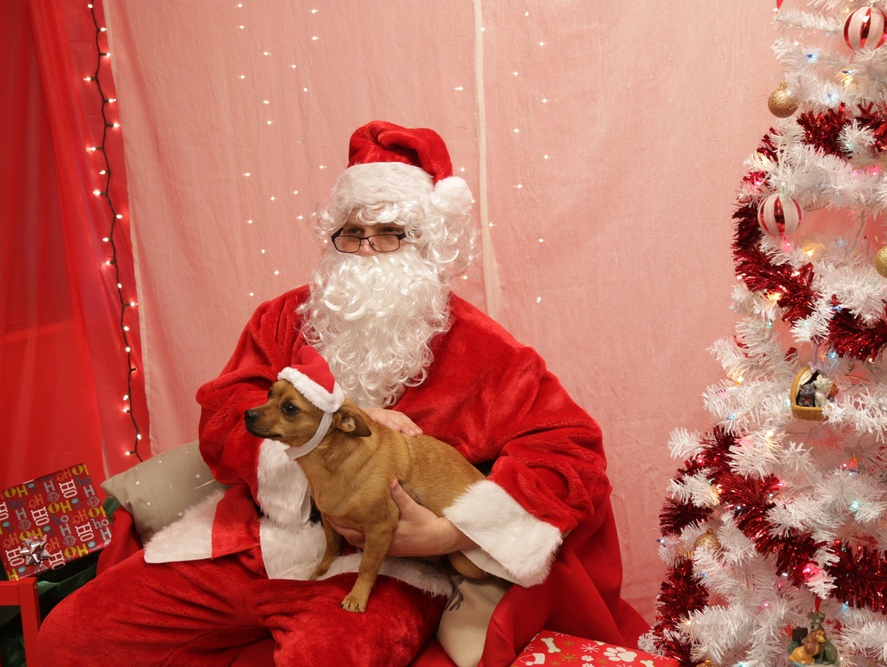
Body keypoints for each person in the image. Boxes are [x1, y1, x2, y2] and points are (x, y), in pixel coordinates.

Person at [38, 120, 648, 666]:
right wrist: (332, 426)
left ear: (428, 247)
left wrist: (454, 532)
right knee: (70, 636)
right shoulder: (282, 320)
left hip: (385, 568)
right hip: (254, 543)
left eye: (389, 234)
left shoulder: (483, 350)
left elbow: (570, 450)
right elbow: (225, 418)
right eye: (351, 233)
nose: (364, 251)